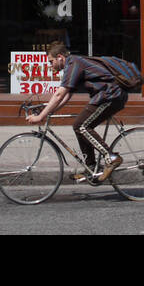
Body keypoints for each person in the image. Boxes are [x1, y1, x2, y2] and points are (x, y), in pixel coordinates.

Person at [25, 40, 127, 182]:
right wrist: (50, 111)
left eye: (51, 61)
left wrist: (41, 116)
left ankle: (112, 157)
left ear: (60, 57)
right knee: (79, 126)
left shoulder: (74, 64)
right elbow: (67, 95)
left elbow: (60, 94)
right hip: (105, 97)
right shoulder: (73, 64)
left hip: (110, 96)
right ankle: (91, 168)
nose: (50, 65)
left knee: (81, 125)